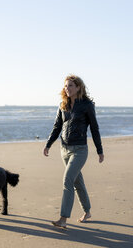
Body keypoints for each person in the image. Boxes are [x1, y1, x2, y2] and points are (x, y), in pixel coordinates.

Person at [43, 74, 104, 228]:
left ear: (78, 87)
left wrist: (99, 150)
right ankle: (87, 211)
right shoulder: (62, 105)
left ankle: (63, 219)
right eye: (65, 86)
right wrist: (48, 144)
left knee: (67, 180)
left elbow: (94, 128)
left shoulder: (87, 105)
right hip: (64, 149)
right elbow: (57, 126)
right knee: (77, 181)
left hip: (80, 150)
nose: (67, 88)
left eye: (70, 85)